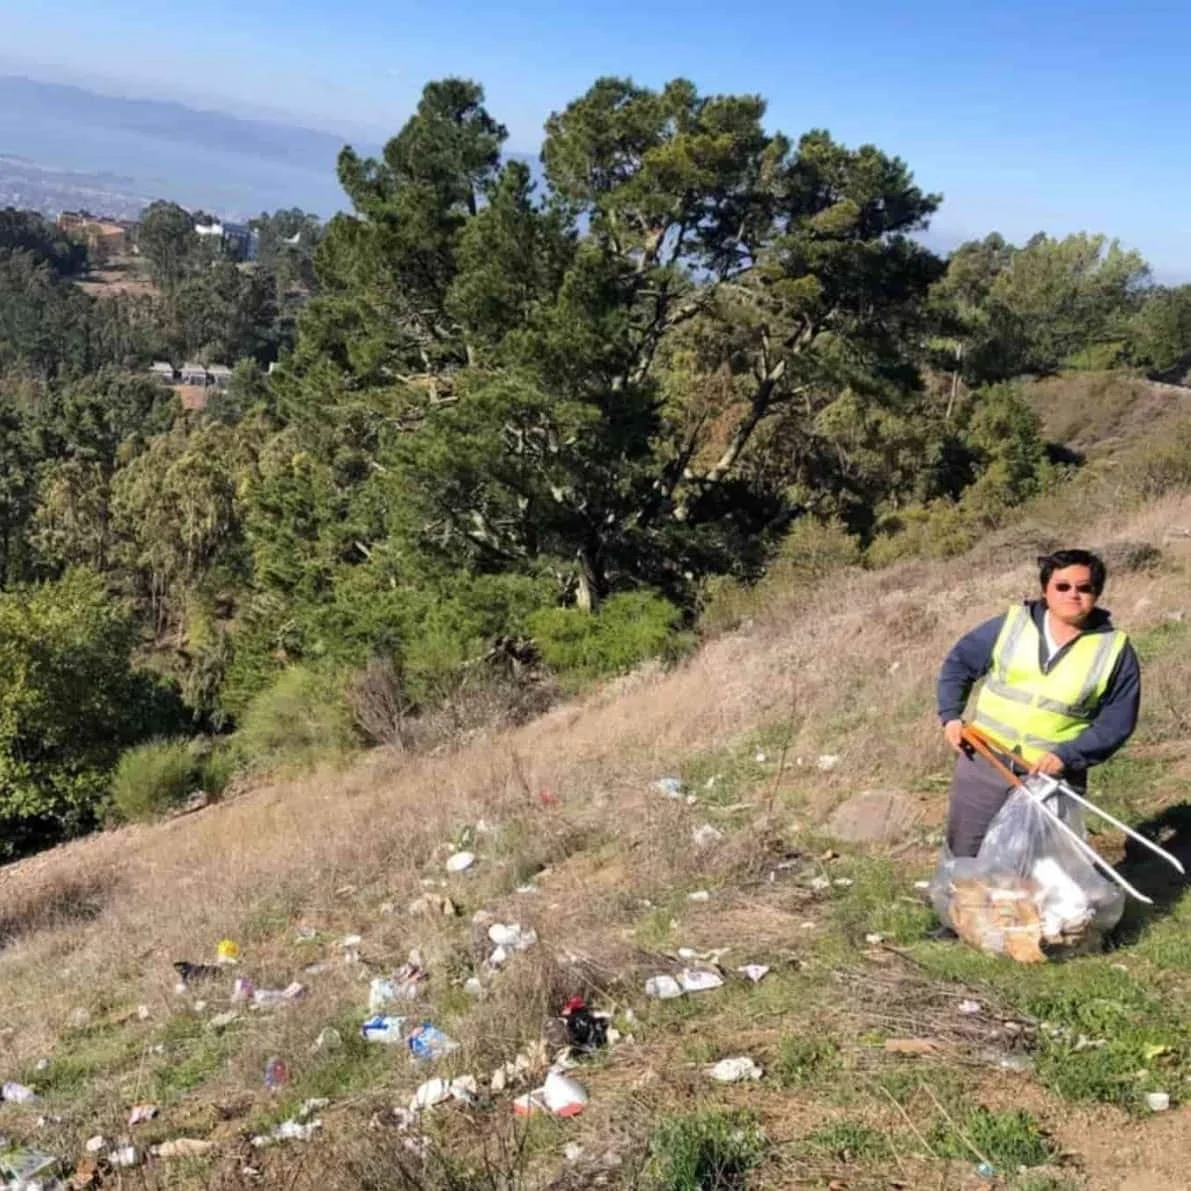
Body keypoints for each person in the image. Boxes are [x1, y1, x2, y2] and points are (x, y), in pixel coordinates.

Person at [937, 548, 1141, 858]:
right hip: (983, 760)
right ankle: (968, 906)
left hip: (1052, 775)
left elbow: (1117, 721)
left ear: (1096, 594)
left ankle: (1026, 908)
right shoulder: (1011, 624)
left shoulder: (1114, 650)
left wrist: (1067, 756)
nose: (1073, 594)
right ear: (1045, 589)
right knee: (967, 854)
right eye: (1063, 586)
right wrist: (951, 715)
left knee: (1037, 864)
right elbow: (959, 665)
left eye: (1084, 588)